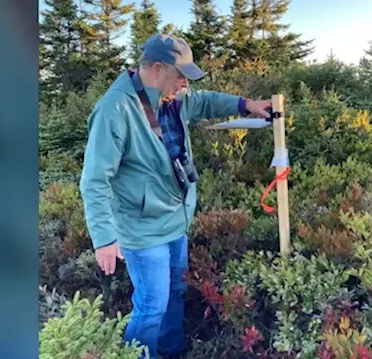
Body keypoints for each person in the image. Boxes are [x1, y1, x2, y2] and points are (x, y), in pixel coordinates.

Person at [79, 33, 272, 359]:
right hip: (141, 230)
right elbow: (95, 180)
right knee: (152, 307)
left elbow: (207, 101)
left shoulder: (172, 97)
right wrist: (103, 238)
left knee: (175, 293)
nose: (185, 83)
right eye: (180, 75)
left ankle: (171, 351)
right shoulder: (114, 109)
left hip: (175, 221)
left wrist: (246, 104)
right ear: (157, 69)